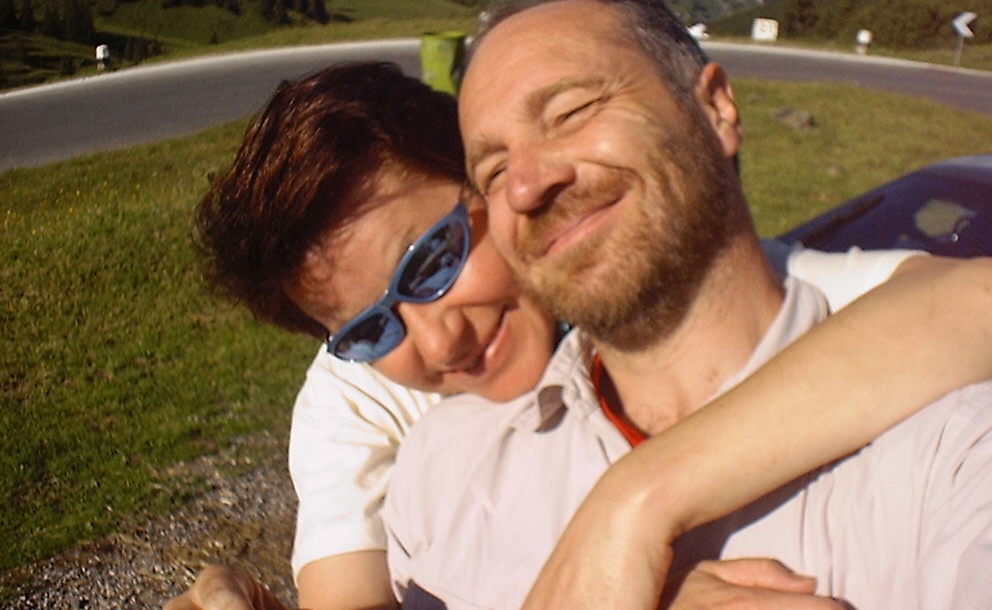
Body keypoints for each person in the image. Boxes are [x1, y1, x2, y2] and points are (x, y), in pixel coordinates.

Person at [171, 61, 992, 610]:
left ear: (496, 184)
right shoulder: (355, 399)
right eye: (367, 326)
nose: (439, 340)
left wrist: (631, 504)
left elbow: (973, 304)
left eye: (433, 261)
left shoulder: (673, 290)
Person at [383, 0, 992, 609]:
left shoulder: (954, 452)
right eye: (492, 172)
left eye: (570, 112)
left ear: (716, 108)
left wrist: (635, 499)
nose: (524, 186)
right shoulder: (444, 468)